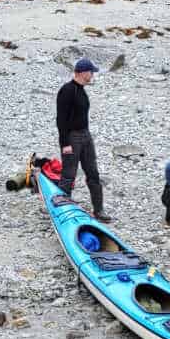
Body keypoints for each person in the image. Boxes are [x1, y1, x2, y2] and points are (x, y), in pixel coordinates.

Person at [56, 57, 112, 220]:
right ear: (83, 73)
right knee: (68, 174)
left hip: (85, 136)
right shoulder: (67, 90)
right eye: (91, 72)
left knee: (93, 173)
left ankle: (99, 210)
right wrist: (65, 143)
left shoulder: (81, 89)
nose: (93, 75)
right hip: (72, 137)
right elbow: (61, 119)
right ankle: (62, 210)